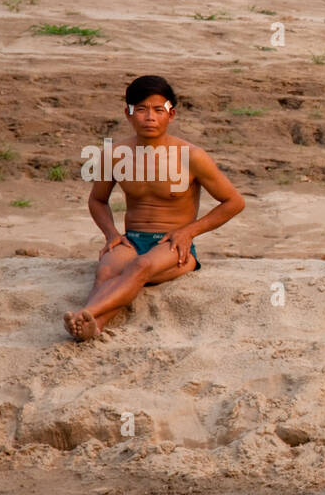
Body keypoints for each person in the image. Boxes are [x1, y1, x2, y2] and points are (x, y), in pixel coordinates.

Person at [63, 76, 245, 341]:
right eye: (141, 109)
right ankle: (94, 326)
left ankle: (86, 312)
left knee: (140, 266)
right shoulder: (115, 154)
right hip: (132, 239)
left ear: (171, 114)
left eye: (158, 110)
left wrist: (189, 232)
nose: (150, 117)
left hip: (173, 245)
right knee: (105, 269)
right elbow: (97, 200)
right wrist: (112, 235)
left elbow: (234, 202)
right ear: (128, 113)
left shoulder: (191, 156)